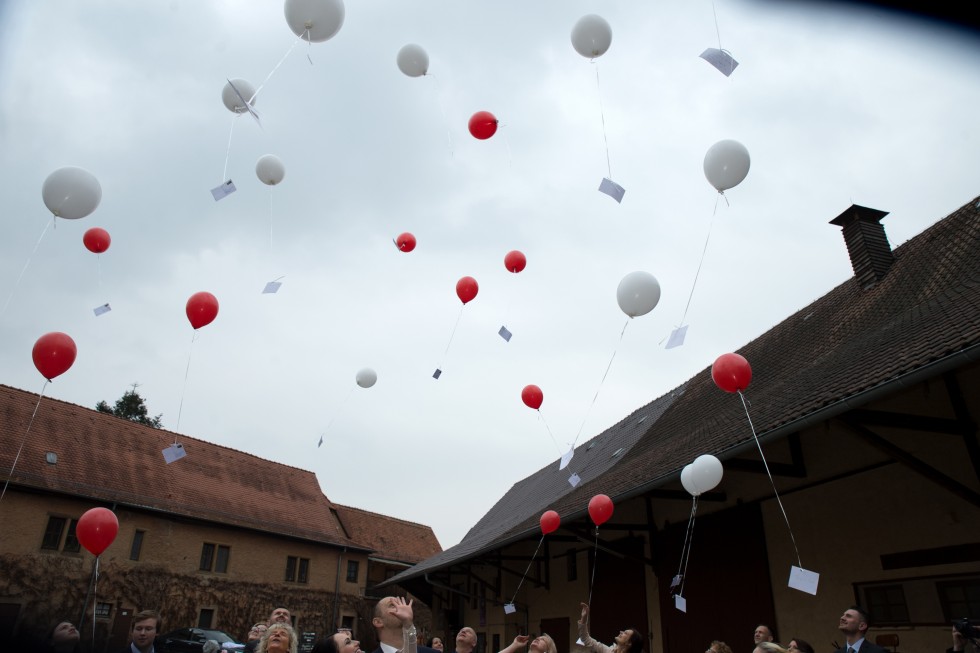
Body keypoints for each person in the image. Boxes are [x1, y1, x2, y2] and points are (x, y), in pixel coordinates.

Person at [577, 603, 644, 653]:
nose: (621, 631)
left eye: (625, 633)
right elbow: (586, 639)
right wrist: (584, 619)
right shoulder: (609, 651)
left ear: (629, 643)